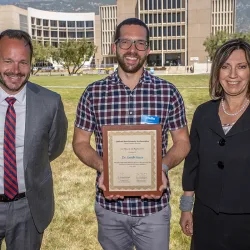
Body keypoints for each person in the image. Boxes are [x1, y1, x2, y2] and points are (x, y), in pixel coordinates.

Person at [73, 18, 190, 250]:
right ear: (114, 47)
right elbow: (80, 142)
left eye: (140, 43)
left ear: (148, 49)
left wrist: (162, 169)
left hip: (153, 210)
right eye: (125, 42)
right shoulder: (94, 93)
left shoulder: (167, 93)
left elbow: (182, 142)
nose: (132, 50)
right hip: (110, 209)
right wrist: (104, 167)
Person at [180, 38, 250, 250]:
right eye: (225, 66)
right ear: (217, 72)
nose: (232, 75)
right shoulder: (203, 113)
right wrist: (186, 208)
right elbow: (192, 163)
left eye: (242, 66)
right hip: (205, 218)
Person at [0, 29, 68, 249]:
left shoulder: (50, 103)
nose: (15, 70)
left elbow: (53, 148)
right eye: (8, 61)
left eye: (23, 62)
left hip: (28, 208)